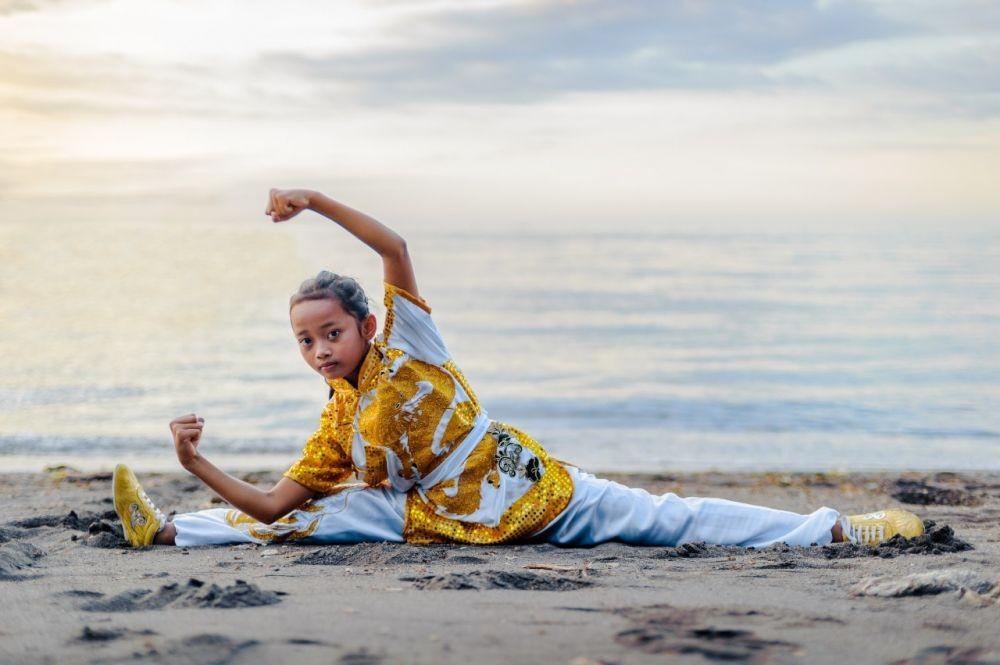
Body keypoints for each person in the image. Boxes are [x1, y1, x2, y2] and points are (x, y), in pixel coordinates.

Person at [112, 188, 924, 550]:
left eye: (331, 332)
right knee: (298, 522)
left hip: (522, 484)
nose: (320, 350)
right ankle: (172, 530)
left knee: (665, 517)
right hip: (425, 517)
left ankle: (837, 530)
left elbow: (394, 248)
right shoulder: (336, 425)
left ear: (364, 325)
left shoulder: (409, 346)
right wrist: (194, 464)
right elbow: (269, 500)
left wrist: (313, 199)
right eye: (304, 341)